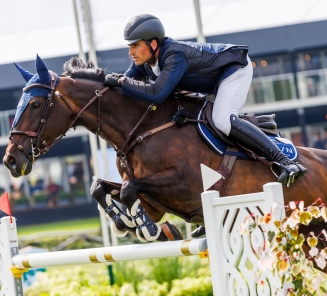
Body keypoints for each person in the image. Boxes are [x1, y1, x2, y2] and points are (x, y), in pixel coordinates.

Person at [103, 14, 307, 236]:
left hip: (233, 71)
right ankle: (210, 208)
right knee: (195, 130)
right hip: (209, 84)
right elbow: (125, 88)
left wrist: (122, 82)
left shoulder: (174, 54)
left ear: (153, 44)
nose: (130, 52)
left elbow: (157, 93)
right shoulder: (144, 63)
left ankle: (285, 162)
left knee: (222, 120)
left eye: (135, 45)